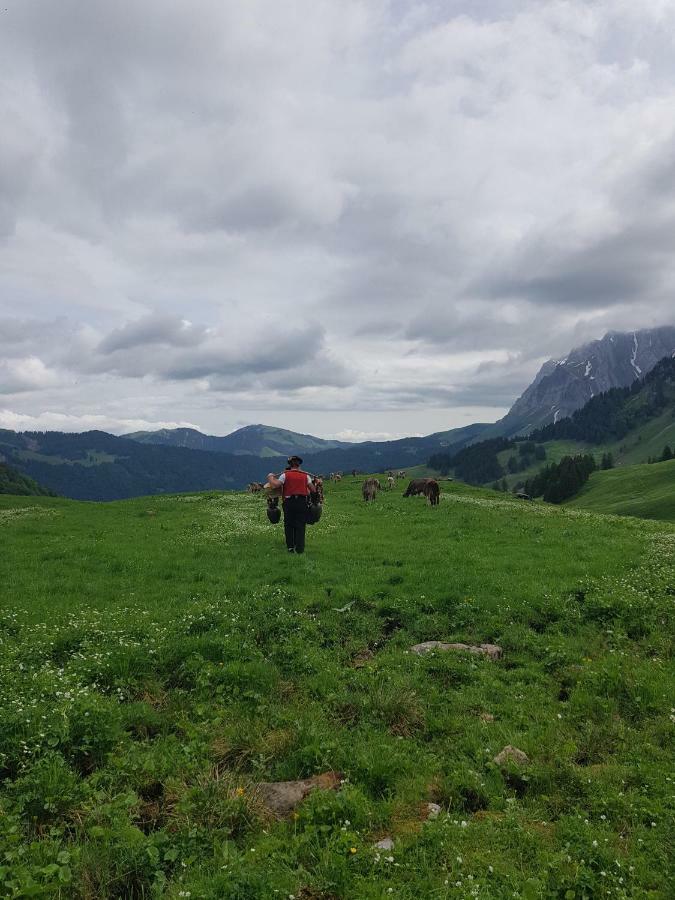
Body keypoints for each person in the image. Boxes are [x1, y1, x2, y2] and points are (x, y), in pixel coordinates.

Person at [266, 456, 317, 554]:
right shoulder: (306, 476)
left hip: (289, 503)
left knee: (289, 524)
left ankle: (290, 547)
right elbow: (313, 490)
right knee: (301, 525)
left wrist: (270, 478)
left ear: (290, 464)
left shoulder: (285, 475)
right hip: (302, 502)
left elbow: (276, 485)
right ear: (299, 465)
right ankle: (300, 549)